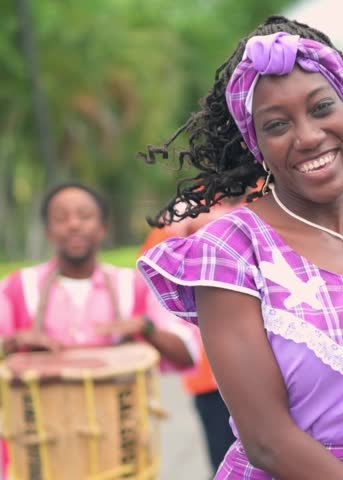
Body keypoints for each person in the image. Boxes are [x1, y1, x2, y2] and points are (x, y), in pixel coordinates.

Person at [137, 17, 343, 479]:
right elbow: (267, 441)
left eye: (321, 107)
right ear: (257, 146)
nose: (308, 136)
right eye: (277, 124)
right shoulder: (231, 250)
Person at [0, 182, 201, 476]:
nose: (73, 225)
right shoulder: (17, 288)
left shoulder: (134, 286)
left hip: (121, 456)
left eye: (84, 216)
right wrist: (13, 342)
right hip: (36, 458)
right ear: (48, 231)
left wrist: (145, 328)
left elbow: (188, 355)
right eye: (61, 218)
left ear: (103, 228)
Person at [139, 187, 260, 473]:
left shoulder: (273, 189)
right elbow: (154, 264)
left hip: (280, 360)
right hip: (213, 373)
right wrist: (185, 229)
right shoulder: (191, 202)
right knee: (226, 460)